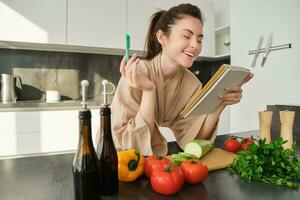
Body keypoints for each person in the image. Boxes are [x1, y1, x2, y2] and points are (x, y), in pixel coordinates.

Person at [111, 3, 253, 156]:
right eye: (187, 36)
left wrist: (221, 102)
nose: (195, 45)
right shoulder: (137, 73)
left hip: (153, 164)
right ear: (162, 37)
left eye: (199, 39)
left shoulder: (191, 84)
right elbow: (128, 142)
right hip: (116, 159)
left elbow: (194, 139)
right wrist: (149, 90)